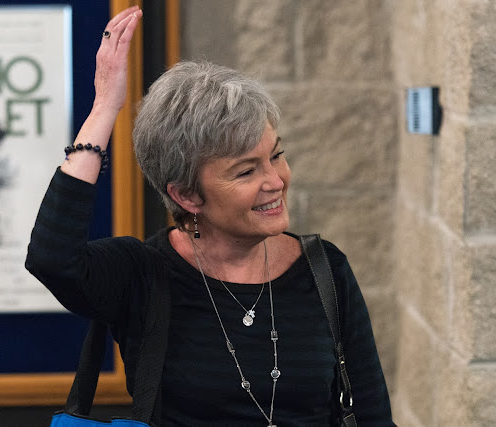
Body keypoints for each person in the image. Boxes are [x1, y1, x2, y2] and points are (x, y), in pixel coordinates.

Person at [26, 6, 395, 426]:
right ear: (186, 195)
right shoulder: (143, 275)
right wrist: (104, 108)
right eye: (246, 171)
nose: (275, 181)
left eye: (276, 156)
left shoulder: (325, 269)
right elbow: (52, 258)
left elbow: (372, 416)